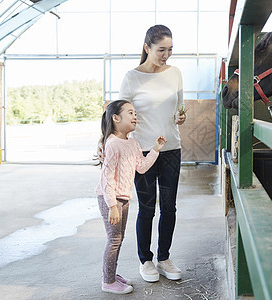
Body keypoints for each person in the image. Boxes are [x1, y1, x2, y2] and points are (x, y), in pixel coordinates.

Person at [118, 24, 186, 282]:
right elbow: (122, 116)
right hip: (142, 151)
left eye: (170, 50)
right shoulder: (131, 77)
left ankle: (164, 258)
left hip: (171, 149)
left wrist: (181, 116)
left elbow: (180, 108)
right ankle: (145, 260)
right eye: (161, 50)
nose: (166, 55)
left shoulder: (175, 73)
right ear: (147, 48)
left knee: (169, 207)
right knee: (147, 208)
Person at [95, 100, 167, 294]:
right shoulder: (111, 144)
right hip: (110, 198)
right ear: (116, 118)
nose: (135, 116)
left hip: (123, 198)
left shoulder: (133, 143)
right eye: (130, 113)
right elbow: (107, 177)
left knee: (119, 238)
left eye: (135, 113)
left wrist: (155, 149)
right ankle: (108, 282)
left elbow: (141, 167)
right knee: (114, 240)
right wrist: (112, 205)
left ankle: (111, 274)